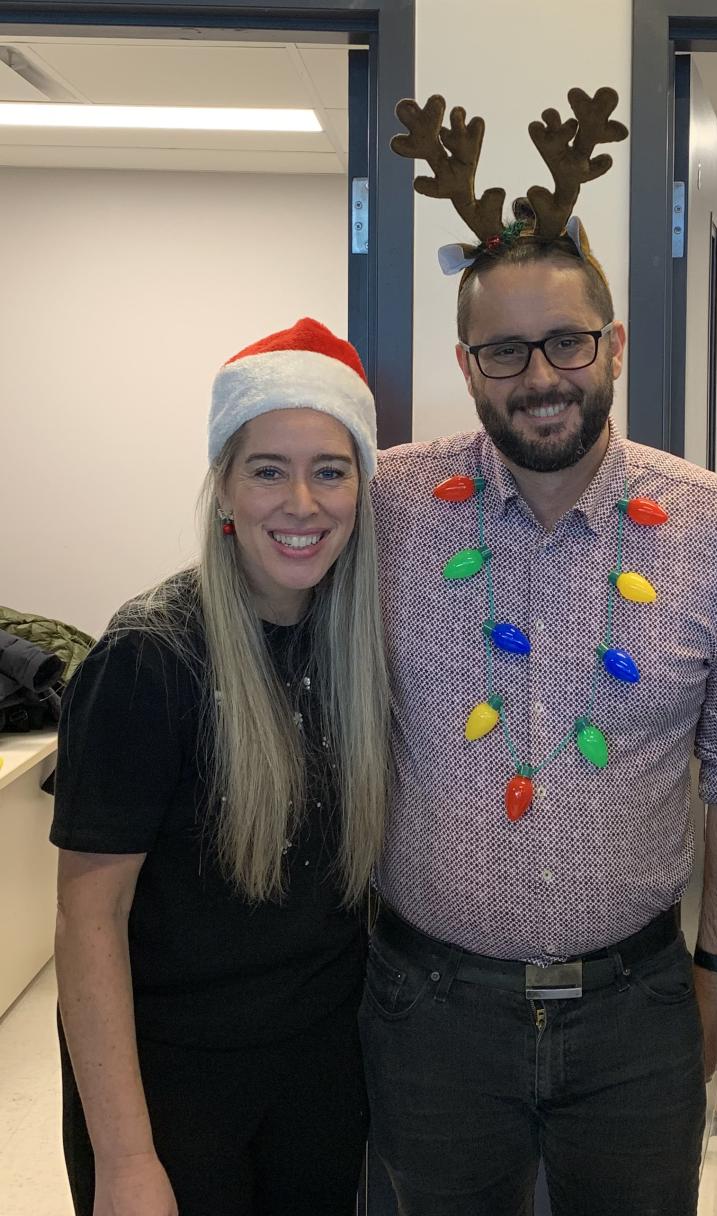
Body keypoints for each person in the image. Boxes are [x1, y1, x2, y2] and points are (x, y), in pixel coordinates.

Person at [363, 87, 717, 1216]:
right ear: (466, 361)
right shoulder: (391, 509)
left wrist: (710, 976)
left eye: (567, 342)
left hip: (636, 1008)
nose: (541, 376)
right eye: (504, 351)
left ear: (616, 343)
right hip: (429, 1004)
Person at [51, 318, 389, 1216]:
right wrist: (127, 1161)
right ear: (226, 490)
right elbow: (90, 921)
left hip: (319, 1077)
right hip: (171, 1086)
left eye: (331, 469)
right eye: (268, 469)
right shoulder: (150, 660)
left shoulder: (361, 643)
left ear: (362, 486)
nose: (302, 503)